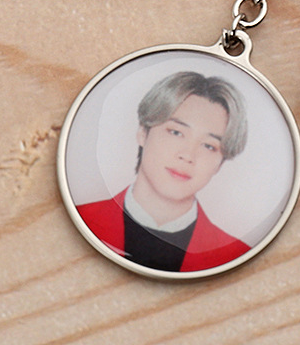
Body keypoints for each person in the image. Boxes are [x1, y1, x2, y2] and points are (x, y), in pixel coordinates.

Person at [77, 71, 249, 273]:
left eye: (209, 146)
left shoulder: (235, 256)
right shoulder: (82, 220)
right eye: (176, 132)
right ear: (143, 132)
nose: (188, 155)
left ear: (220, 163)